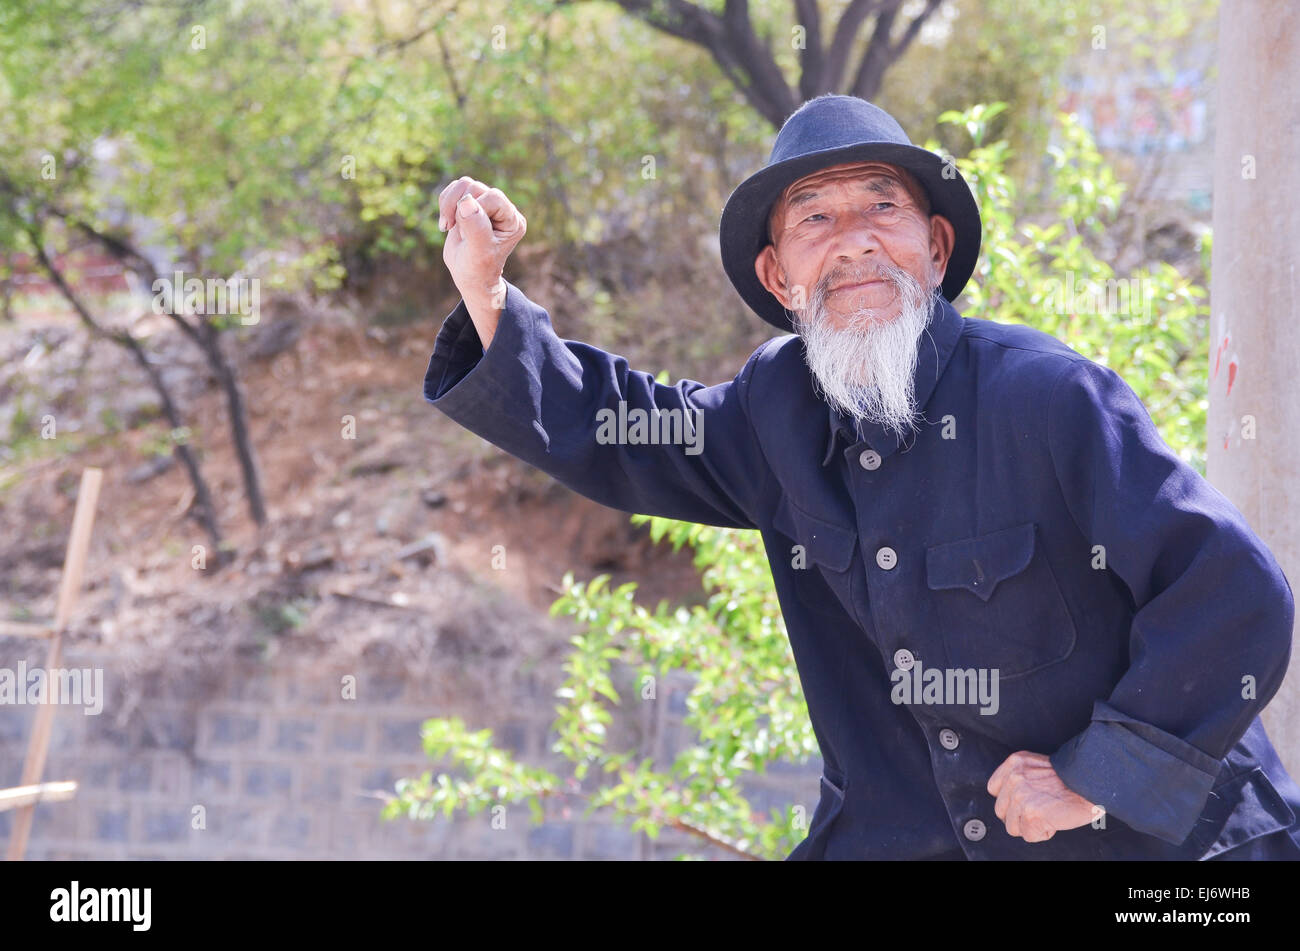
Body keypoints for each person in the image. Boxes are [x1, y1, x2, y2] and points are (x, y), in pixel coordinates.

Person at [425, 94, 1300, 859]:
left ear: (934, 244)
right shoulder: (773, 413)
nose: (854, 242)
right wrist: (488, 294)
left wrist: (1098, 777)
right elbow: (618, 430)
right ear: (779, 277)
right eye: (815, 219)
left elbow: (1233, 592)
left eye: (883, 206)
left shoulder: (1049, 397)